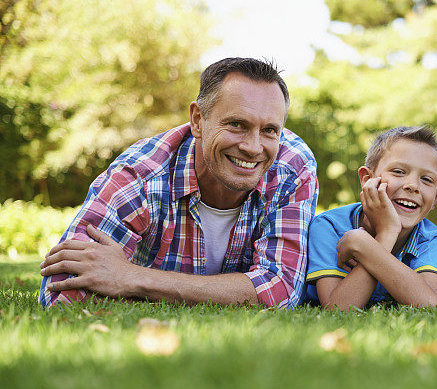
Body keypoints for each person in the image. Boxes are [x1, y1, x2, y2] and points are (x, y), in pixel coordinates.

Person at [39, 57, 318, 308]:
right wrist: (234, 291)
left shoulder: (291, 169)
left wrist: (133, 278)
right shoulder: (142, 176)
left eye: (269, 130)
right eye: (236, 124)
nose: (253, 147)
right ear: (198, 120)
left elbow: (281, 290)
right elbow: (62, 290)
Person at [303, 126, 437, 310]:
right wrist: (387, 234)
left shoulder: (431, 238)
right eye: (398, 171)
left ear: (436, 197)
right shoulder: (329, 226)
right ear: (367, 179)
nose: (413, 186)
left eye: (427, 179)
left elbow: (430, 304)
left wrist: (365, 245)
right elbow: (338, 308)